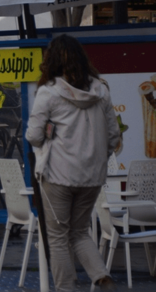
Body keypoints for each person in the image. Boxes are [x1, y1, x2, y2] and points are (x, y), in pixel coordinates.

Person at [25, 35, 120, 292]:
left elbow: (33, 136)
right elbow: (113, 136)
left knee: (57, 237)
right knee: (79, 232)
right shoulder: (101, 90)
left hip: (57, 176)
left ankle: (66, 289)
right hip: (92, 177)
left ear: (51, 60)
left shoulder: (48, 92)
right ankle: (102, 277)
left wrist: (48, 135)